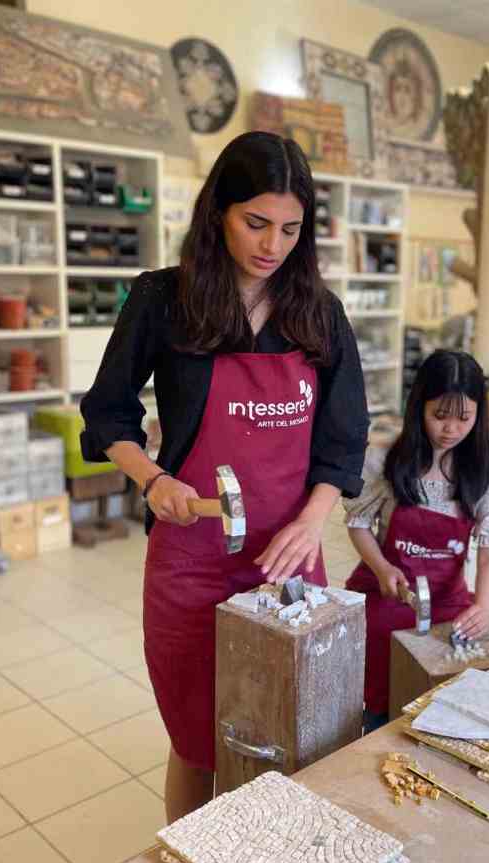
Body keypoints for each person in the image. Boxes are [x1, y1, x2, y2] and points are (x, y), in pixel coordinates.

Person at [80, 131, 369, 822]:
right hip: (193, 562)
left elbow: (343, 439)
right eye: (256, 222)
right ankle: (187, 861)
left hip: (290, 561)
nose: (273, 244)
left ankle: (266, 857)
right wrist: (154, 480)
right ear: (219, 213)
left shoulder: (317, 314)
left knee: (293, 726)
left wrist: (309, 522)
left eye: (291, 229)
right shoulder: (164, 300)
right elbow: (106, 413)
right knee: (196, 735)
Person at [343, 350, 489, 733]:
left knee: (440, 710)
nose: (450, 429)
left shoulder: (486, 471)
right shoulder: (386, 459)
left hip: (447, 606)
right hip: (386, 596)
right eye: (440, 416)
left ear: (478, 416)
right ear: (419, 406)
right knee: (377, 708)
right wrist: (382, 567)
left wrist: (483, 606)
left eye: (464, 419)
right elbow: (359, 524)